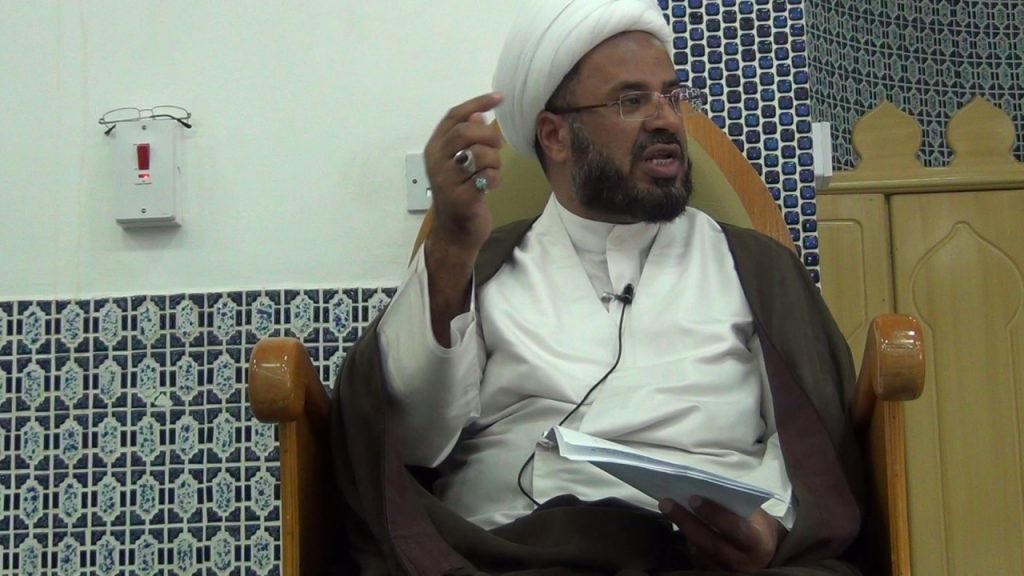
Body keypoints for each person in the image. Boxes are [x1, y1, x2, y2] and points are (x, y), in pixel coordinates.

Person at [329, 1, 864, 574]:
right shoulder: (478, 269)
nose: (665, 120)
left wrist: (771, 527)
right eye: (631, 101)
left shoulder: (754, 269)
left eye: (672, 96)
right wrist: (450, 250)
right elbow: (411, 439)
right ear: (555, 135)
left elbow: (810, 449)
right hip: (511, 553)